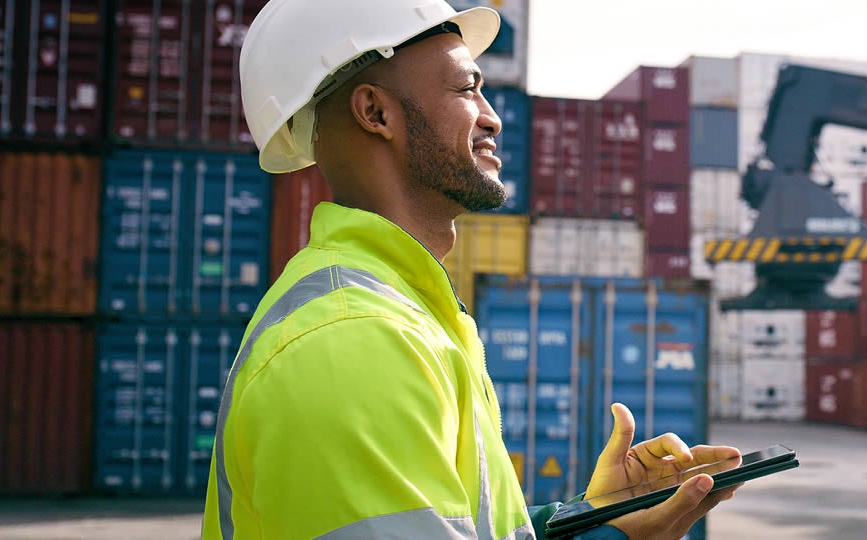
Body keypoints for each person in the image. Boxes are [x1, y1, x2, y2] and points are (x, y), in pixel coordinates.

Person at [202, 1, 741, 538]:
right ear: (375, 113)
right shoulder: (352, 339)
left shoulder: (400, 312)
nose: (492, 116)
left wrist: (601, 524)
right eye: (465, 89)